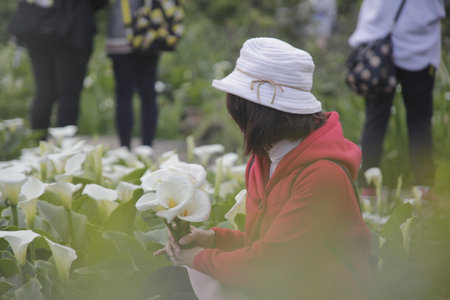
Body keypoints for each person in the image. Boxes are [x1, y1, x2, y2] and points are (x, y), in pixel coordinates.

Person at [148, 37, 374, 300]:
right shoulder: (264, 158)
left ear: (258, 113)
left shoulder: (322, 175)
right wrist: (212, 239)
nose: (233, 115)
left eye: (238, 106)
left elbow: (270, 264)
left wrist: (200, 259)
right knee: (163, 282)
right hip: (283, 281)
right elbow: (267, 245)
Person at [348, 0, 446, 198]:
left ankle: (367, 185)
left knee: (375, 118)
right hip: (420, 46)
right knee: (420, 119)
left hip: (380, 42)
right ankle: (423, 185)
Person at [8, 0, 107, 137]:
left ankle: (37, 145)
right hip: (71, 33)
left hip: (38, 29)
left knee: (44, 91)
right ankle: (63, 147)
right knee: (68, 93)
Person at [106, 0, 161, 148]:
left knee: (124, 94)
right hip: (150, 35)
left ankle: (125, 149)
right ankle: (147, 148)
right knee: (148, 94)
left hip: (121, 36)